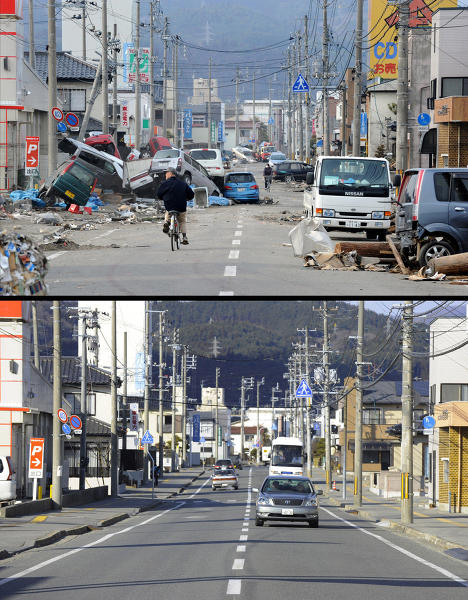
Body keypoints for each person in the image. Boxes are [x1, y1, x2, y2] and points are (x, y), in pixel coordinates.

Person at [157, 168, 194, 245]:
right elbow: (191, 194)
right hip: (181, 206)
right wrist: (187, 198)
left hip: (169, 205)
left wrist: (163, 198)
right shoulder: (183, 184)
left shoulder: (164, 184)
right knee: (182, 221)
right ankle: (184, 237)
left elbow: (159, 194)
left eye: (166, 173)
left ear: (171, 173)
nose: (165, 175)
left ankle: (167, 222)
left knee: (168, 212)